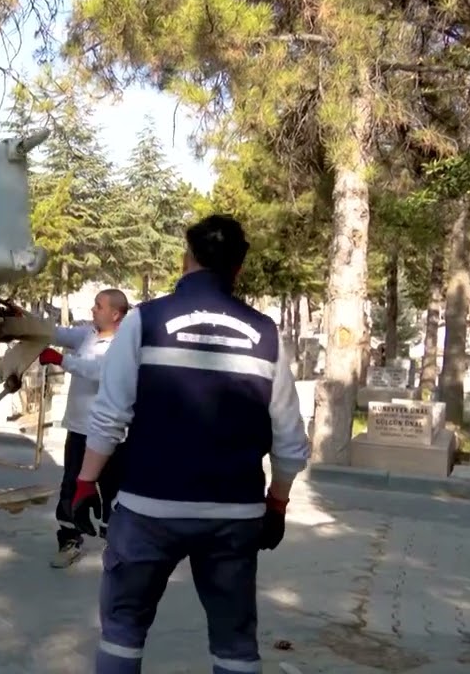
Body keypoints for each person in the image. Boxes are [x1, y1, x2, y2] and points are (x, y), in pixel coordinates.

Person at [69, 214, 311, 674]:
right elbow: (289, 436)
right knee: (235, 644)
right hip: (233, 516)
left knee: (122, 632)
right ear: (237, 271)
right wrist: (277, 505)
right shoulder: (266, 335)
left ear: (186, 261)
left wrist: (85, 484)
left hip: (147, 509)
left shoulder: (144, 321)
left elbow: (109, 414)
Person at [38, 288, 131, 568]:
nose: (93, 309)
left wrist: (61, 360)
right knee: (71, 485)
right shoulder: (88, 334)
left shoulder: (122, 345)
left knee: (111, 490)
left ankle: (114, 544)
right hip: (78, 429)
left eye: (98, 306)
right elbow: (58, 334)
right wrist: (26, 321)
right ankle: (69, 539)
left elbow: (96, 371)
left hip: (108, 432)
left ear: (115, 314)